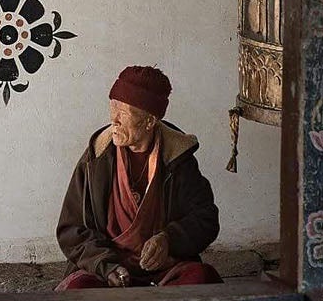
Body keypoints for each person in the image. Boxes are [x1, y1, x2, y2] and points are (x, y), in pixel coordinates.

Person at [55, 65, 223, 289]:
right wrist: (106, 266)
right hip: (107, 268)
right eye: (112, 108)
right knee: (79, 292)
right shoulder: (97, 157)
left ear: (149, 122)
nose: (114, 120)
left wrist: (169, 240)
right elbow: (71, 229)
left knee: (201, 280)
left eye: (123, 114)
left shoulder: (177, 158)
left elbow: (206, 219)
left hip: (164, 266)